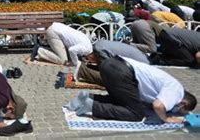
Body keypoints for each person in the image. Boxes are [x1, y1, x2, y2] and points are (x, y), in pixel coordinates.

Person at [66, 56, 197, 123]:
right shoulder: (177, 91)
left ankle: (90, 97)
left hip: (112, 64)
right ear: (183, 103)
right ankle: (92, 106)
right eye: (180, 111)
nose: (176, 111)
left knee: (124, 101)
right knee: (136, 114)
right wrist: (166, 119)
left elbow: (151, 102)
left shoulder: (173, 85)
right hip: (122, 71)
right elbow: (158, 105)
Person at [78, 40, 149, 85]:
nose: (89, 61)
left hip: (139, 70)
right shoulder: (100, 44)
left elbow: (108, 69)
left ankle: (81, 71)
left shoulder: (99, 50)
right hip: (143, 62)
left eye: (87, 59)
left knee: (110, 79)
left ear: (89, 55)